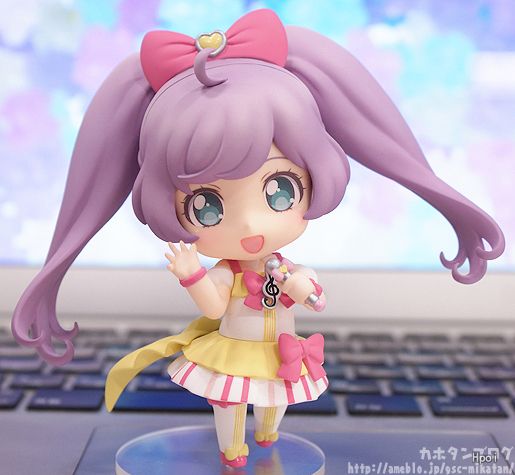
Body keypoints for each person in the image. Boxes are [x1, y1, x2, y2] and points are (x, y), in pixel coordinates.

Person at [11, 9, 504, 469]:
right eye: (207, 205)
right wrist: (191, 276)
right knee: (229, 401)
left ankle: (267, 436)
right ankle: (233, 448)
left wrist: (300, 285)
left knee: (275, 398)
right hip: (233, 348)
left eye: (279, 190)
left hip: (279, 349)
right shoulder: (227, 273)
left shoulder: (286, 267)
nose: (249, 226)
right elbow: (212, 307)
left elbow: (315, 299)